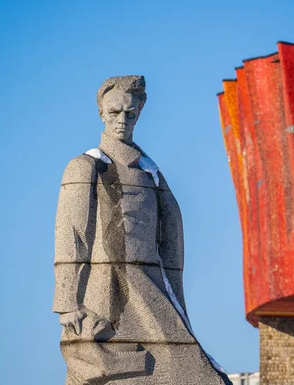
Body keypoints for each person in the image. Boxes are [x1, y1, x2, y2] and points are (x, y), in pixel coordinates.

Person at [53, 76, 231, 385]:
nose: (122, 120)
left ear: (139, 114)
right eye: (114, 113)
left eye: (130, 114)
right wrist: (67, 303)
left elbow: (171, 243)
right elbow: (72, 235)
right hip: (107, 294)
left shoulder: (152, 173)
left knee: (198, 373)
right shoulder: (86, 166)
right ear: (101, 113)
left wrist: (179, 306)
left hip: (153, 287)